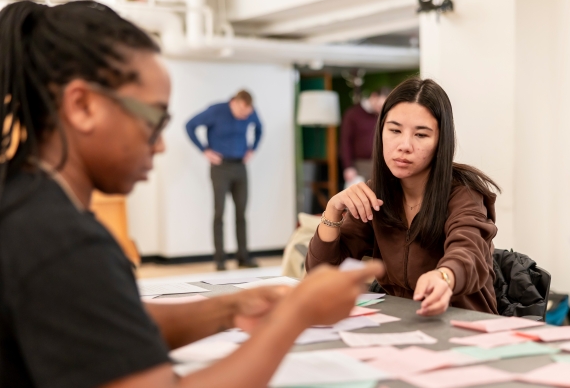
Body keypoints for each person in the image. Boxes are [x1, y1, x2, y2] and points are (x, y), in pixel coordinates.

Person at [0, 2, 384, 388]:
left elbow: (111, 323)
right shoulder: (61, 240)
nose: (160, 145)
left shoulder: (15, 199)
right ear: (82, 106)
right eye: (154, 119)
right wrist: (296, 315)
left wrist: (230, 307)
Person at [307, 78, 501, 317]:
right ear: (381, 132)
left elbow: (468, 253)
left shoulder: (464, 193)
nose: (404, 145)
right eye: (395, 130)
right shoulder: (376, 193)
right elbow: (321, 275)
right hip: (399, 328)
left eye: (421, 135)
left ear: (441, 141)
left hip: (463, 328)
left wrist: (444, 277)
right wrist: (333, 209)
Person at [186, 91, 261, 270]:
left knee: (241, 213)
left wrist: (253, 149)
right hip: (220, 167)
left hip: (240, 167)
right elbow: (190, 125)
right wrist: (204, 150)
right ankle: (220, 259)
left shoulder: (250, 111)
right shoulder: (216, 111)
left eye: (248, 113)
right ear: (234, 102)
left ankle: (243, 257)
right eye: (242, 112)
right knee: (219, 212)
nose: (245, 116)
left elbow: (259, 128)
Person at [340, 87, 390, 185]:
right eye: (380, 106)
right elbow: (345, 142)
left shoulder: (383, 115)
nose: (381, 109)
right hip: (360, 165)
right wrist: (348, 167)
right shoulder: (353, 114)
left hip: (380, 164)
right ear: (374, 97)